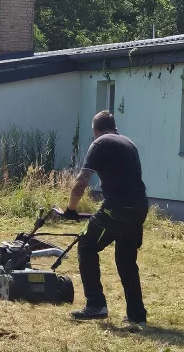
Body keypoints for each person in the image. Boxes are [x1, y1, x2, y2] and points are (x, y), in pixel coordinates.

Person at [61, 111, 149, 329]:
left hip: (117, 206)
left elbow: (82, 181)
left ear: (95, 131)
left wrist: (70, 209)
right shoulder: (128, 143)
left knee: (86, 244)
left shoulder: (100, 143)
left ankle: (96, 305)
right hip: (139, 206)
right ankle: (137, 316)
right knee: (126, 260)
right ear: (114, 126)